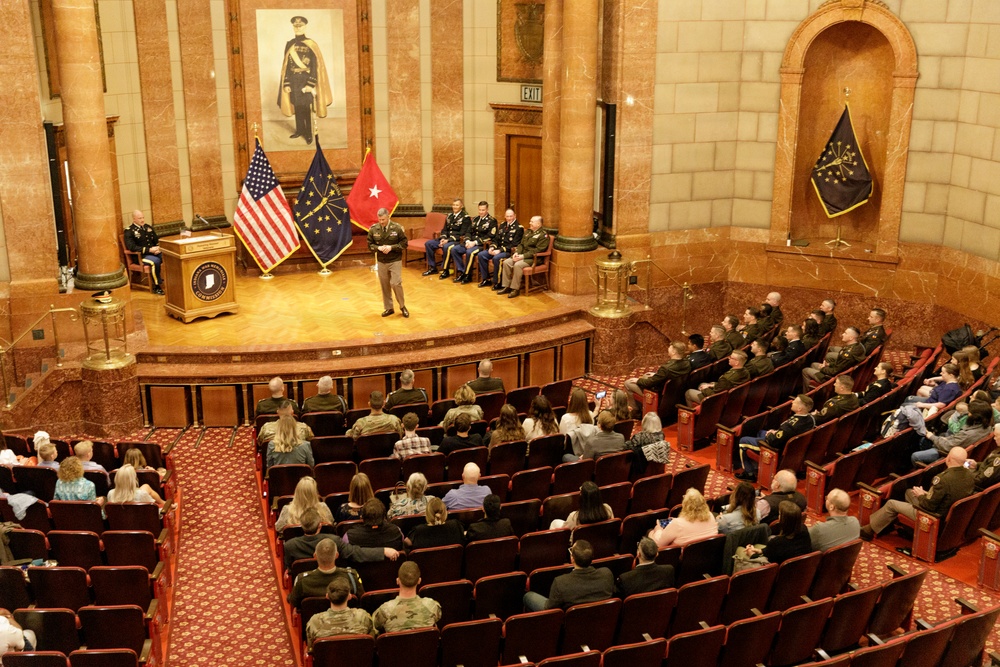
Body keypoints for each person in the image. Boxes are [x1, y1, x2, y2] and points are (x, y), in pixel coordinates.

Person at [861, 448, 975, 541]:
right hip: (947, 514)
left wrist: (921, 495)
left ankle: (868, 531)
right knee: (909, 492)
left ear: (948, 458)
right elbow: (949, 494)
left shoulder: (942, 479)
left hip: (932, 516)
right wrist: (926, 493)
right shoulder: (969, 475)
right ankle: (890, 523)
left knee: (891, 504)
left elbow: (928, 506)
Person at [278, 15, 332, 144]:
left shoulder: (311, 44)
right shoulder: (289, 44)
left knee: (306, 108)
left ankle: (308, 133)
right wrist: (286, 83)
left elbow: (315, 66)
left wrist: (310, 84)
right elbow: (286, 66)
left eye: (300, 26)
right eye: (295, 26)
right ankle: (299, 130)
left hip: (305, 81)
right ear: (293, 27)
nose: (297, 28)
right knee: (297, 107)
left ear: (305, 26)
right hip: (294, 81)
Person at [283, 508, 397, 569]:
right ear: (320, 525)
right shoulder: (334, 541)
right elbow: (357, 552)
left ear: (301, 525)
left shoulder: (289, 545)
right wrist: (383, 551)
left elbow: (289, 569)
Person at [737, 394, 815, 480]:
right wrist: (775, 432)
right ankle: (756, 466)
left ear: (799, 409)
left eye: (795, 402)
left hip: (776, 448)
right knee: (760, 432)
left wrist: (770, 434)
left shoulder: (790, 427)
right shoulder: (810, 419)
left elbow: (773, 441)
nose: (792, 402)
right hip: (791, 448)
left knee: (743, 441)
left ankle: (749, 473)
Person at [523, 540, 614, 611]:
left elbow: (550, 610)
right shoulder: (607, 574)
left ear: (572, 559)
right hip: (599, 620)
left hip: (570, 621)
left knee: (528, 596)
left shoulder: (561, 582)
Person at [910, 399, 994, 466]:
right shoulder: (987, 427)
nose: (967, 414)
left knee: (916, 455)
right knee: (938, 436)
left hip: (947, 453)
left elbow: (947, 446)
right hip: (954, 444)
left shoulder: (968, 434)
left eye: (969, 413)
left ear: (975, 417)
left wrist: (932, 437)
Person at [288, 538, 364, 609]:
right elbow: (361, 599)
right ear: (336, 555)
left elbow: (294, 603)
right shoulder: (351, 576)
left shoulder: (302, 581)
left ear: (315, 556)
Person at [372, 562, 442, 633]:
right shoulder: (432, 606)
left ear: (398, 581)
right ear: (419, 581)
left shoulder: (385, 610)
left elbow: (376, 625)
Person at [306, 578, 375, 649]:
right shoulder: (362, 616)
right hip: (359, 659)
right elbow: (371, 643)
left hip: (328, 659)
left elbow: (311, 647)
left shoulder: (315, 621)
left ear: (327, 596)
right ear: (349, 597)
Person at [623, 341, 691, 413]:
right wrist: (657, 374)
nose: (668, 349)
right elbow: (668, 375)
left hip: (658, 394)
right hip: (675, 392)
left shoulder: (666, 369)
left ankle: (636, 410)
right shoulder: (687, 363)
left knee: (628, 383)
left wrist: (638, 380)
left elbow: (649, 383)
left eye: (669, 347)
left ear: (674, 352)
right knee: (647, 375)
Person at [367, 207, 409, 318]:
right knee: (384, 285)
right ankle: (389, 308)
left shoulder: (397, 228)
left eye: (383, 220)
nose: (381, 222)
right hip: (382, 261)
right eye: (380, 220)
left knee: (395, 283)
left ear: (388, 217)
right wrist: (378, 248)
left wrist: (392, 247)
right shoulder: (374, 229)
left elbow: (404, 244)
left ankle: (402, 306)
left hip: (395, 260)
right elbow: (370, 245)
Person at [496, 215, 548, 298]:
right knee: (507, 262)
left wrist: (522, 256)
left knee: (517, 265)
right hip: (521, 255)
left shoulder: (543, 235)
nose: (529, 223)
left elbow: (538, 250)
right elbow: (521, 244)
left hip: (534, 258)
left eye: (532, 222)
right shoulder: (528, 232)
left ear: (538, 224)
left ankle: (515, 289)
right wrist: (516, 253)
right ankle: (506, 286)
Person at [744, 501, 811, 564]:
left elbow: (767, 563)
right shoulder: (804, 530)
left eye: (779, 514)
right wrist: (760, 551)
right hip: (802, 570)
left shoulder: (776, 543)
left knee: (740, 550)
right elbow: (769, 551)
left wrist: (751, 554)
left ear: (783, 520)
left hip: (780, 574)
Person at [649, 488, 718, 547]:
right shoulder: (710, 515)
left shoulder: (677, 524)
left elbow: (658, 544)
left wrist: (657, 530)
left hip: (680, 559)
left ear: (685, 505)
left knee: (649, 532)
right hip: (707, 556)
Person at [803, 326, 865, 391]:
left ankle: (806, 394)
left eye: (845, 333)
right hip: (836, 371)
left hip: (830, 378)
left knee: (805, 370)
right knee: (813, 364)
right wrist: (829, 364)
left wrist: (823, 368)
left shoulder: (848, 354)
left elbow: (834, 372)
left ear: (851, 338)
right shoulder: (855, 346)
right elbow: (840, 364)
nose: (842, 334)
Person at [685, 350, 751, 407]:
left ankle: (693, 415)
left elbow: (715, 395)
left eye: (731, 357)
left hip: (718, 401)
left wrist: (704, 389)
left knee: (688, 392)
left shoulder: (727, 378)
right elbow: (725, 386)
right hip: (733, 398)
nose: (728, 358)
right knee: (703, 384)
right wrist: (711, 385)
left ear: (737, 362)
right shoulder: (745, 372)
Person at [423, 198, 471, 277]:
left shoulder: (465, 218)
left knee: (446, 246)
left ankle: (445, 270)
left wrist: (448, 240)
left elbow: (463, 233)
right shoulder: (449, 216)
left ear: (461, 206)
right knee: (429, 244)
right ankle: (432, 267)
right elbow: (444, 229)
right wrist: (443, 238)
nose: (455, 207)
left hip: (456, 240)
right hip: (446, 239)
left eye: (457, 205)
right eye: (453, 205)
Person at [452, 202, 497, 283]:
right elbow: (468, 231)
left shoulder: (492, 221)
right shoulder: (475, 219)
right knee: (455, 249)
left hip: (481, 245)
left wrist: (475, 242)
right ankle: (462, 271)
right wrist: (468, 240)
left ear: (487, 210)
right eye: (479, 210)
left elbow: (490, 236)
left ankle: (467, 275)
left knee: (470, 252)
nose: (481, 212)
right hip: (470, 242)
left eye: (483, 210)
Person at [479, 208, 523, 288]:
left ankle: (498, 282)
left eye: (511, 216)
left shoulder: (519, 228)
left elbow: (514, 244)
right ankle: (486, 279)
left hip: (508, 251)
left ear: (515, 216)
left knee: (496, 258)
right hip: (497, 249)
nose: (509, 218)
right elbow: (496, 239)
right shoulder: (502, 225)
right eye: (507, 216)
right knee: (481, 255)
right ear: (505, 217)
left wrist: (500, 250)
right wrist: (492, 247)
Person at [124, 210, 164, 295]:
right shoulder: (129, 231)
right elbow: (132, 247)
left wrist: (158, 248)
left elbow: (156, 241)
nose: (142, 220)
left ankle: (167, 280)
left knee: (168, 256)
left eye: (143, 217)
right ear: (134, 219)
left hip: (153, 252)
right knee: (155, 261)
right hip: (140, 256)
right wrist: (149, 250)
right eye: (139, 218)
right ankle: (157, 286)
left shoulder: (147, 227)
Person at [973, 424, 1000, 491]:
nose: (994, 438)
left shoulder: (998, 460)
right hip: (979, 476)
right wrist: (976, 464)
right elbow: (988, 465)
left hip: (977, 487)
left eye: (996, 436)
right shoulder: (998, 449)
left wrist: (965, 474)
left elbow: (980, 481)